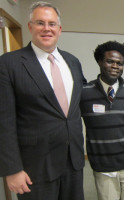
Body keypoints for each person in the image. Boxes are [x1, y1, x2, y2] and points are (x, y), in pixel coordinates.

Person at [0, 2, 86, 200]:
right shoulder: (9, 64)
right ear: (30, 27)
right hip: (35, 167)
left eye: (52, 24)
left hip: (73, 161)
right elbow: (4, 121)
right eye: (40, 23)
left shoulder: (72, 62)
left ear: (59, 29)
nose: (46, 28)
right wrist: (12, 169)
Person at [80, 41, 124, 200]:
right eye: (110, 61)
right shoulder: (84, 93)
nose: (115, 66)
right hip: (103, 165)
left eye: (119, 63)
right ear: (99, 61)